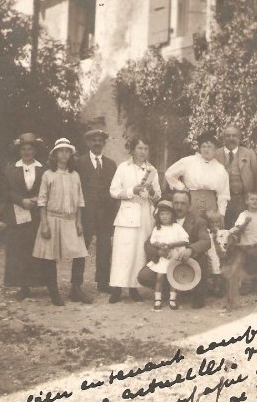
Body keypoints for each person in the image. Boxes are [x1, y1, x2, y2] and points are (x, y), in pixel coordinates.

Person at [32, 138, 89, 306]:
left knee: (80, 254)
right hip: (52, 218)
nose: (64, 154)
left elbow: (80, 201)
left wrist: (79, 222)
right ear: (55, 154)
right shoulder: (48, 175)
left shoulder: (75, 175)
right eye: (61, 151)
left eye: (67, 151)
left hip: (71, 219)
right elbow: (42, 200)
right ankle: (54, 292)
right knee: (49, 256)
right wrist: (44, 223)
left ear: (71, 154)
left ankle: (76, 289)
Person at [108, 137, 161, 303]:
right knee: (122, 252)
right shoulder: (123, 168)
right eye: (139, 148)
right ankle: (116, 288)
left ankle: (134, 288)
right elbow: (114, 191)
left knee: (139, 252)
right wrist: (132, 190)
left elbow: (158, 195)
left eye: (145, 148)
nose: (143, 151)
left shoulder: (152, 170)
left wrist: (152, 192)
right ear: (132, 150)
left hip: (145, 214)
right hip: (127, 214)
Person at [138, 190, 211, 308]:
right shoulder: (164, 219)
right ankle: (171, 292)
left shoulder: (198, 221)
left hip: (187, 262)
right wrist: (158, 252)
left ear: (189, 205)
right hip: (167, 261)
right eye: (176, 203)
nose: (179, 207)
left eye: (183, 203)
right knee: (144, 276)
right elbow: (148, 244)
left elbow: (206, 241)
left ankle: (196, 294)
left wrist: (191, 250)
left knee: (202, 258)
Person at [71, 127, 117, 294]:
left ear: (104, 143)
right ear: (88, 143)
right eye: (94, 140)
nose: (97, 143)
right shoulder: (79, 163)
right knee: (81, 247)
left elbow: (115, 189)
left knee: (105, 247)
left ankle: (103, 282)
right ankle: (76, 284)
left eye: (100, 140)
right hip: (86, 213)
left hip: (105, 213)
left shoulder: (111, 164)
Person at [3, 132, 47, 300]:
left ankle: (37, 282)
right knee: (19, 249)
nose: (27, 152)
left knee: (35, 248)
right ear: (19, 151)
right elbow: (6, 191)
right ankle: (23, 286)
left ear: (35, 151)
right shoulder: (11, 169)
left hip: (37, 213)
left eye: (30, 149)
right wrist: (22, 201)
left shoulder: (43, 169)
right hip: (18, 212)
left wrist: (36, 199)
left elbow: (47, 189)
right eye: (24, 149)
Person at [164, 131, 230, 225]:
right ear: (200, 148)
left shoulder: (220, 168)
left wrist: (221, 214)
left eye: (209, 147)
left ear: (215, 149)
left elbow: (223, 194)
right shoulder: (189, 161)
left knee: (210, 231)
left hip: (211, 206)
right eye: (203, 146)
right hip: (191, 203)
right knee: (190, 228)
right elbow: (169, 174)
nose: (206, 150)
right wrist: (182, 188)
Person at [215, 125, 257, 228]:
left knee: (242, 228)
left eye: (234, 136)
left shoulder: (249, 154)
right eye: (228, 136)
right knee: (224, 229)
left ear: (239, 138)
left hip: (242, 199)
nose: (231, 138)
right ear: (223, 138)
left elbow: (256, 178)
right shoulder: (216, 154)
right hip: (221, 200)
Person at [146, 200, 190, 311]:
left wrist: (172, 245)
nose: (164, 216)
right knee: (159, 277)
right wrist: (160, 245)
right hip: (163, 257)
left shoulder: (176, 227)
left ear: (172, 215)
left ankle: (172, 299)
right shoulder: (157, 228)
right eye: (162, 214)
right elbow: (152, 241)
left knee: (173, 278)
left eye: (167, 214)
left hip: (174, 256)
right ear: (158, 216)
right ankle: (157, 300)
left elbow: (185, 241)